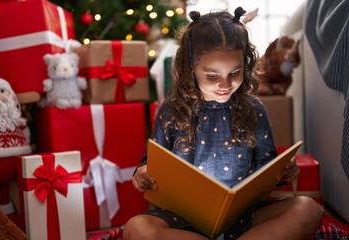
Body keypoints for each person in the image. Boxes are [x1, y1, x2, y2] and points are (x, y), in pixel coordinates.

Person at [124, 8, 323, 240]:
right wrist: (142, 173)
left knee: (308, 210)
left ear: (245, 63)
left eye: (235, 73)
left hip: (244, 218)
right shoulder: (172, 109)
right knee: (136, 229)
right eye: (212, 76)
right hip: (184, 222)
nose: (225, 84)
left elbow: (266, 169)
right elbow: (153, 163)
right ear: (191, 67)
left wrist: (283, 171)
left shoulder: (253, 109)